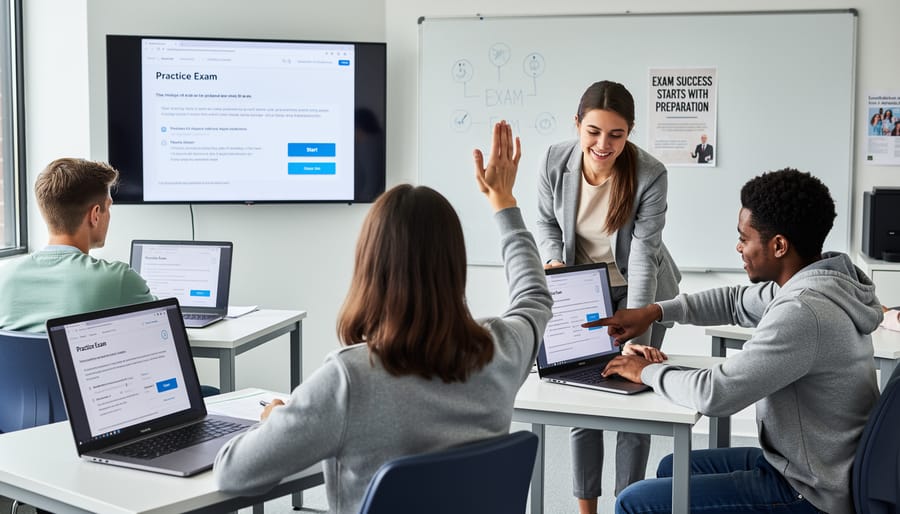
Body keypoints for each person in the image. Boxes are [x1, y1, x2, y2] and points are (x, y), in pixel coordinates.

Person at [213, 121, 553, 514]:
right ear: (455, 265)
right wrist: (504, 202)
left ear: (370, 268)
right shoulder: (501, 349)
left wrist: (277, 420)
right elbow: (535, 296)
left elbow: (233, 474)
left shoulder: (349, 380)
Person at [589, 168, 882, 514]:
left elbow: (716, 394)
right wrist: (653, 312)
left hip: (811, 490)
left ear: (778, 246)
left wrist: (646, 372)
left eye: (745, 237)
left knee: (634, 503)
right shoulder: (818, 281)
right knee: (672, 468)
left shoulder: (804, 312)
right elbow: (733, 301)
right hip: (812, 466)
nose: (738, 247)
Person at [536, 80, 681, 514]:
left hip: (641, 289)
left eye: (616, 135)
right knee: (583, 395)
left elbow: (643, 254)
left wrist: (636, 325)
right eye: (594, 131)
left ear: (630, 132)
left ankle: (627, 504)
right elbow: (546, 224)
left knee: (632, 397)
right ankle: (586, 509)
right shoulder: (554, 161)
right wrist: (553, 263)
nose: (604, 144)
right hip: (583, 288)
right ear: (577, 124)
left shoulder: (650, 174)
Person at [0, 158, 155, 332]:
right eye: (108, 207)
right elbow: (163, 326)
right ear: (95, 214)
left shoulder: (4, 277)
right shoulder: (119, 279)